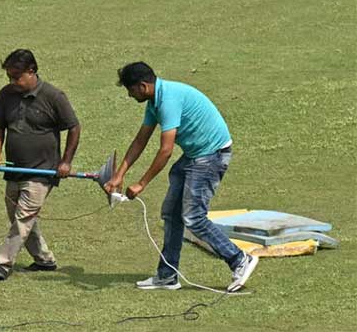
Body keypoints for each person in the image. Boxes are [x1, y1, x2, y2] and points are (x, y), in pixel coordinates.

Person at [103, 62, 258, 292]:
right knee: (172, 214)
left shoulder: (168, 101)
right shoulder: (155, 100)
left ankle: (239, 259)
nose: (128, 94)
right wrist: (119, 175)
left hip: (211, 155)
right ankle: (167, 275)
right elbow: (140, 140)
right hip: (195, 155)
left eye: (130, 89)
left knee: (194, 217)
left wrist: (141, 183)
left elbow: (165, 151)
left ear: (143, 86)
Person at [0, 49, 81, 281]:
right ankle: (44, 260)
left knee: (24, 217)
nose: (12, 82)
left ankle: (4, 263)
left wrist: (66, 162)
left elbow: (74, 128)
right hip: (14, 169)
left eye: (17, 76)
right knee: (19, 217)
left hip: (42, 170)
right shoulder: (7, 94)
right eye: (9, 77)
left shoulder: (54, 96)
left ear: (32, 71)